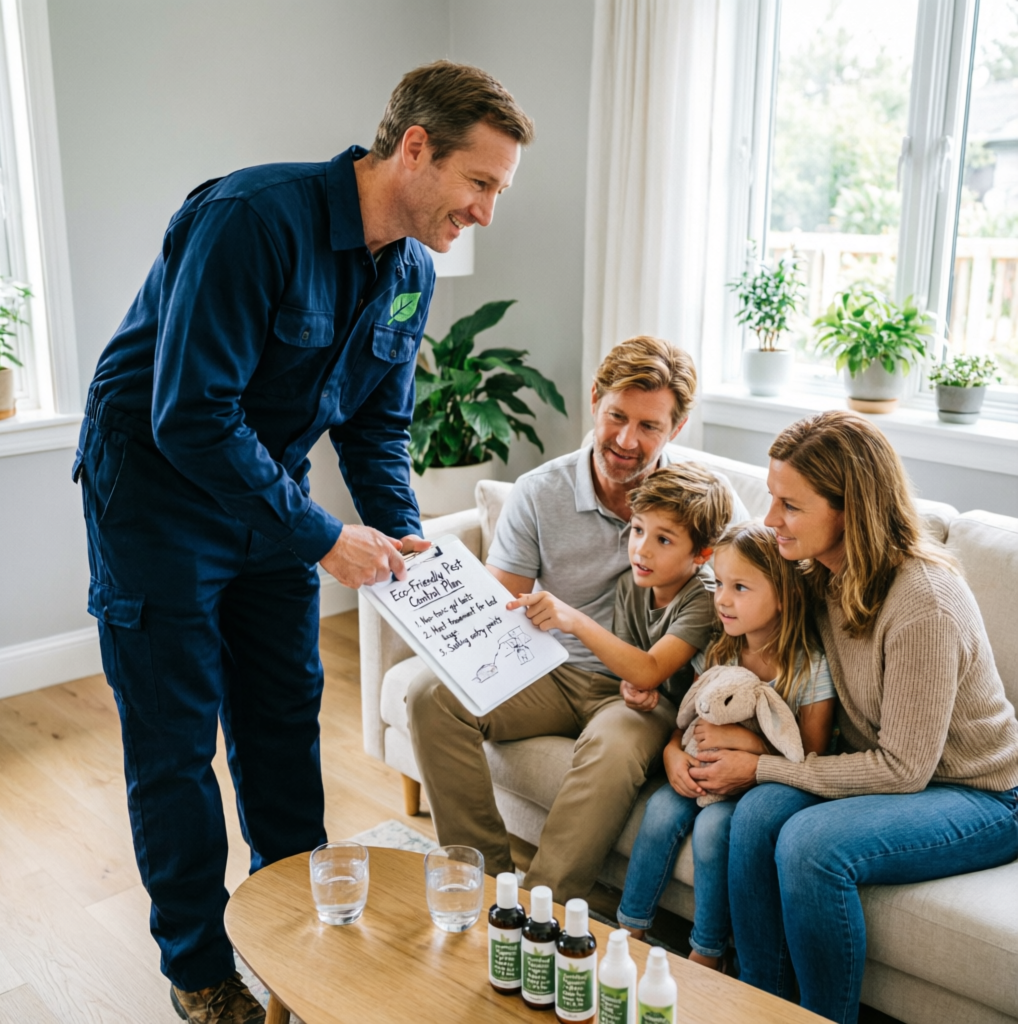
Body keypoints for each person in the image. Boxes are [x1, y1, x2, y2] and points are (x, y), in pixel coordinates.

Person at [74, 61, 534, 1024]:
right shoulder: (252, 220)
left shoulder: (409, 271)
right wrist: (325, 537)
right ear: (415, 149)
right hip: (155, 498)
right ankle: (199, 967)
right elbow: (190, 414)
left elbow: (375, 427)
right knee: (175, 741)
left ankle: (291, 935)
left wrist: (413, 555)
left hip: (266, 500)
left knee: (283, 719)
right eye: (480, 184)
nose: (488, 211)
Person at [689, 411, 1018, 1024]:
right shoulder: (820, 576)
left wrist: (760, 767)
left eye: (790, 505)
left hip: (981, 794)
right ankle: (759, 1006)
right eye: (771, 497)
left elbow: (902, 769)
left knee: (812, 845)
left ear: (849, 509)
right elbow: (737, 589)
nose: (770, 518)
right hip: (888, 773)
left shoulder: (924, 602)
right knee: (758, 817)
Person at [407, 336, 751, 902]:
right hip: (548, 669)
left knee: (615, 748)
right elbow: (495, 610)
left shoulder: (705, 503)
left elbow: (747, 601)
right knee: (430, 695)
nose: (625, 440)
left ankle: (540, 910)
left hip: (641, 694)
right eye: (617, 416)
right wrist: (439, 586)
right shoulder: (539, 493)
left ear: (677, 429)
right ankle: (487, 884)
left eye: (649, 427)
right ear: (595, 399)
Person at [615, 520, 835, 970]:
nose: (722, 599)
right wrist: (672, 753)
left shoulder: (809, 667)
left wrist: (746, 742)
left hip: (757, 788)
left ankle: (707, 950)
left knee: (715, 828)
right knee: (659, 810)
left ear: (784, 594)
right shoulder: (720, 649)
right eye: (718, 583)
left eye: (739, 587)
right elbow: (690, 718)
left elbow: (811, 758)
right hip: (702, 771)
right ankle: (630, 927)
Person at [506, 461, 731, 708]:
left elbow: (650, 670)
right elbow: (631, 665)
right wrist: (630, 686)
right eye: (637, 529)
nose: (642, 550)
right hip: (651, 704)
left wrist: (575, 621)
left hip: (689, 715)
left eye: (664, 540)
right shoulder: (629, 584)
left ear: (702, 554)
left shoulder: (706, 598)